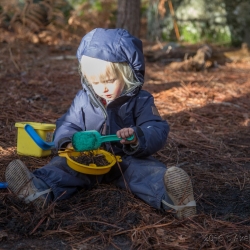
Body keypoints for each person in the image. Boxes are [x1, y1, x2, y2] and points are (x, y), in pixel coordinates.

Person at [5, 28, 196, 219]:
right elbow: (67, 123)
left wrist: (137, 136)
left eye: (110, 80)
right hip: (87, 159)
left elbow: (156, 128)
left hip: (125, 159)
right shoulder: (83, 99)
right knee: (61, 167)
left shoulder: (141, 100)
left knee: (147, 173)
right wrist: (67, 141)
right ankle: (37, 190)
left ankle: (174, 200)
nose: (102, 88)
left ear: (127, 72)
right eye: (95, 82)